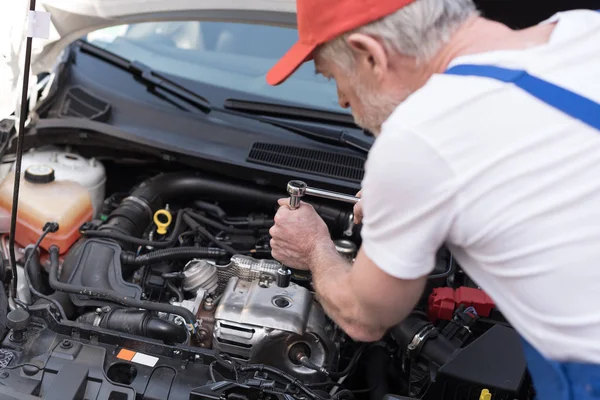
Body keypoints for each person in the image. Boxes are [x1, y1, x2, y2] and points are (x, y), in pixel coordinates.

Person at [265, 0, 600, 398]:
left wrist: (312, 248)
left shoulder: (419, 137)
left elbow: (364, 317)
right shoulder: (582, 30)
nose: (341, 99)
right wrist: (413, 199)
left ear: (371, 55)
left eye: (333, 76)